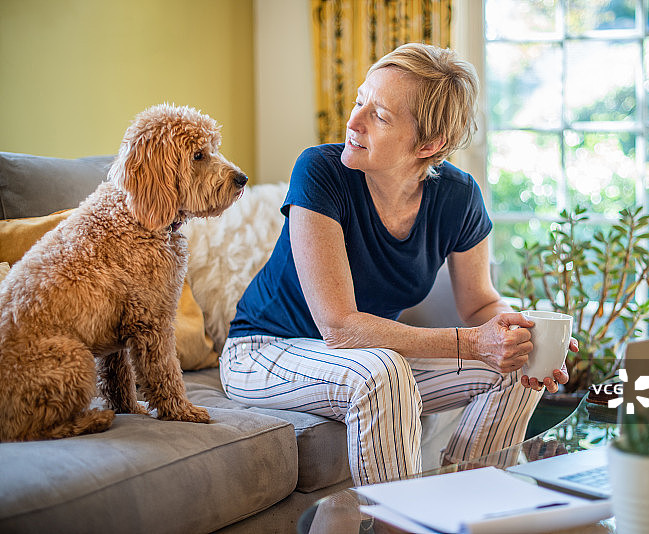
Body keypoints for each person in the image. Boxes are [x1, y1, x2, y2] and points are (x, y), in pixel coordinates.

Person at [221, 43, 576, 486]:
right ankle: (397, 522)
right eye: (359, 100)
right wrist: (473, 343)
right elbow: (341, 328)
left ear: (429, 144)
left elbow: (481, 303)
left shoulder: (458, 197)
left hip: (365, 359)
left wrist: (526, 339)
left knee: (514, 367)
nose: (353, 121)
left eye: (380, 116)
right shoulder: (320, 172)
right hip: (264, 351)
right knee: (382, 371)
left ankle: (464, 501)